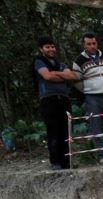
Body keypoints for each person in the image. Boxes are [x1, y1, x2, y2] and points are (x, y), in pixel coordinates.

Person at [72, 33, 103, 164]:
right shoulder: (78, 61)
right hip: (92, 97)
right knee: (96, 126)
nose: (92, 46)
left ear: (97, 43)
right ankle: (102, 155)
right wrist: (89, 89)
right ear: (84, 45)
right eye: (89, 44)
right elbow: (76, 81)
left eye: (94, 43)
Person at [33, 37, 75, 170]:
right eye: (47, 47)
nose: (51, 49)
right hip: (48, 100)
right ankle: (55, 162)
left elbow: (71, 76)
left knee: (65, 131)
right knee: (53, 131)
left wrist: (56, 73)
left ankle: (66, 161)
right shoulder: (39, 61)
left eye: (52, 46)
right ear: (41, 49)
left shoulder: (59, 62)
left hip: (63, 99)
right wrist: (61, 75)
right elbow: (47, 76)